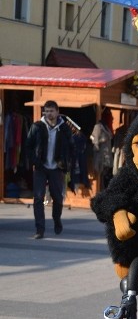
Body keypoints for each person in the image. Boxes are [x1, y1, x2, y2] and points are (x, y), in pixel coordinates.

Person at [25, 100, 73, 239]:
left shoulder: (64, 128)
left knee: (57, 198)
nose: (49, 114)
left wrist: (66, 164)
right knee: (38, 198)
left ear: (57, 112)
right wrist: (35, 161)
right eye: (46, 111)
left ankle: (57, 220)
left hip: (57, 168)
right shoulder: (37, 127)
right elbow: (28, 146)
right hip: (41, 167)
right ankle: (40, 229)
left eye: (51, 111)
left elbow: (71, 148)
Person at [90, 109, 114, 189]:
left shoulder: (106, 127)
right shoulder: (97, 127)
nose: (113, 118)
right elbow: (95, 142)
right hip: (100, 157)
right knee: (99, 176)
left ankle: (103, 191)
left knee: (104, 176)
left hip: (106, 156)